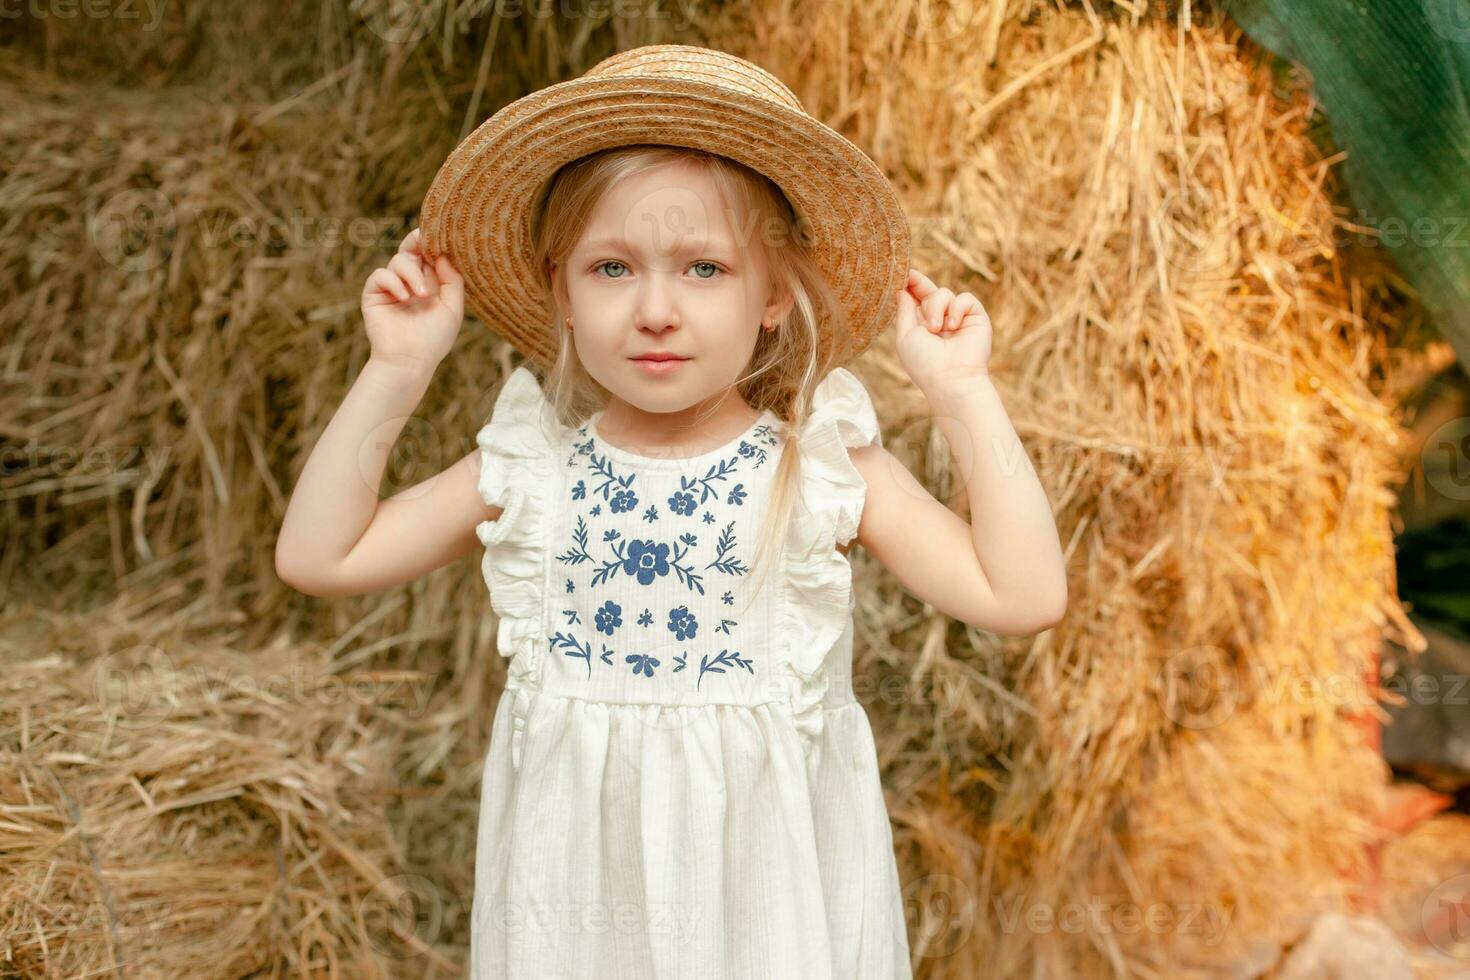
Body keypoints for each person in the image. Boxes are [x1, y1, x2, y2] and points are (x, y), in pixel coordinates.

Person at [275, 44, 1067, 980]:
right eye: (612, 269)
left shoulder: (814, 470)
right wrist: (396, 370)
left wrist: (963, 394)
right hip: (575, 919)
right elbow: (320, 557)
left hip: (762, 924)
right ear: (560, 289)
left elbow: (1022, 595)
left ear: (774, 294)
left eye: (703, 269)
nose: (655, 310)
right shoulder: (535, 470)